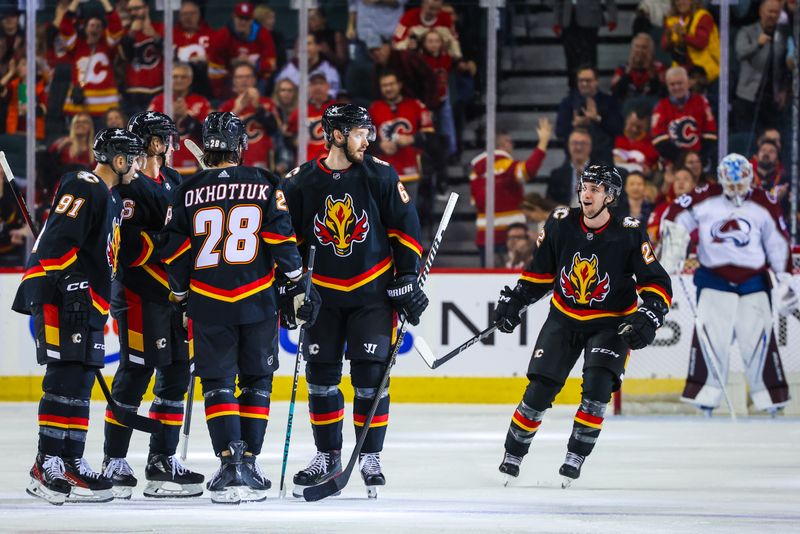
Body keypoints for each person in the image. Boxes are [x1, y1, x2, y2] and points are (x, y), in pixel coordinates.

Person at [160, 111, 320, 504]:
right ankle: (249, 462)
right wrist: (298, 283)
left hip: (209, 302)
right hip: (257, 300)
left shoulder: (186, 189)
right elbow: (281, 240)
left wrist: (181, 298)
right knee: (256, 380)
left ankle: (229, 463)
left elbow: (174, 253)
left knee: (217, 382)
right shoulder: (265, 182)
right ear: (239, 147)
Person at [493, 164, 672, 487]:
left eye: (596, 189)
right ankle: (514, 454)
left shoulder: (629, 232)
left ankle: (575, 455)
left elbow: (656, 281)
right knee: (539, 390)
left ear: (611, 196)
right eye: (584, 187)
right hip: (564, 317)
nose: (586, 194)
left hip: (611, 323)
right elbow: (540, 273)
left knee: (597, 390)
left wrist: (651, 313)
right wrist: (516, 300)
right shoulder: (561, 224)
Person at [282, 104, 428, 499]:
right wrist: (292, 288)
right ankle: (327, 455)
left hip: (372, 295)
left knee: (370, 379)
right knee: (322, 379)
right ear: (335, 135)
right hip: (322, 297)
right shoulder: (300, 182)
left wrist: (407, 278)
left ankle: (368, 456)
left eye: (368, 132)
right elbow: (283, 238)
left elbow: (405, 228)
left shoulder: (380, 174)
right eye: (360, 133)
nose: (368, 140)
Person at [12, 128, 145, 505]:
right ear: (118, 160)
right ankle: (46, 462)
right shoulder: (83, 183)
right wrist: (69, 279)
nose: (135, 165)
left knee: (82, 379)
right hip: (62, 294)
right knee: (64, 376)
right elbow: (56, 239)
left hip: (90, 301)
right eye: (131, 158)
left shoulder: (112, 198)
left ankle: (71, 459)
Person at [100, 111, 204, 499]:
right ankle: (114, 458)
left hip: (176, 296)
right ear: (156, 143)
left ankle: (162, 459)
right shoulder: (127, 185)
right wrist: (169, 245)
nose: (173, 146)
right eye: (168, 139)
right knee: (135, 373)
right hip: (139, 293)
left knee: (176, 375)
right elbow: (126, 244)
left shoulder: (175, 181)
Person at [659, 154, 793, 416]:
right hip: (714, 280)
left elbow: (778, 242)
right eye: (729, 184)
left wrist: (786, 278)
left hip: (753, 281)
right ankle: (705, 400)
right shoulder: (706, 195)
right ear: (721, 180)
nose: (734, 189)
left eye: (739, 183)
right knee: (711, 341)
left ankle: (771, 401)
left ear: (749, 178)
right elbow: (675, 213)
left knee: (759, 341)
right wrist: (672, 248)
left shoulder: (765, 202)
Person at [471, 118, 553, 265]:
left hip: (484, 236)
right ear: (502, 144)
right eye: (509, 142)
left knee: (486, 281)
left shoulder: (476, 171)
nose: (512, 145)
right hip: (511, 236)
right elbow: (529, 170)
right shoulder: (506, 166)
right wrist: (543, 143)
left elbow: (474, 201)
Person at [369, 71, 435, 199]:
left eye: (391, 84)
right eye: (384, 85)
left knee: (412, 215)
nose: (388, 88)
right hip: (384, 174)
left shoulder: (415, 105)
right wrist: (380, 145)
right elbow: (363, 140)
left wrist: (412, 138)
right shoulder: (373, 109)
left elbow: (432, 136)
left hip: (413, 171)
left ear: (399, 85)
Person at [60, 0, 123, 120]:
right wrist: (75, 2)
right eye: (92, 26)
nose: (95, 29)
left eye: (99, 26)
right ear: (85, 29)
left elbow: (116, 29)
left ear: (103, 30)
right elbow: (65, 28)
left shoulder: (108, 47)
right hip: (78, 108)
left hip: (105, 108)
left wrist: (106, 3)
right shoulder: (76, 45)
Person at [734, 0, 790, 133]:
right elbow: (740, 53)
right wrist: (757, 44)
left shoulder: (783, 34)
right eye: (769, 11)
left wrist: (784, 90)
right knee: (747, 136)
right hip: (748, 96)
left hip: (772, 99)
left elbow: (785, 66)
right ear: (761, 12)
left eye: (776, 12)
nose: (772, 15)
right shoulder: (747, 31)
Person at [148, 62, 212, 175]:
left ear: (191, 79)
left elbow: (209, 136)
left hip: (192, 166)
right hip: (163, 166)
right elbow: (147, 133)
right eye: (175, 77)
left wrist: (187, 118)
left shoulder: (201, 102)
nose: (179, 80)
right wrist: (171, 117)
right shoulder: (158, 102)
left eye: (183, 77)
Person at [207, 2, 276, 100]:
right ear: (233, 17)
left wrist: (253, 64)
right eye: (240, 18)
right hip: (229, 79)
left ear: (252, 19)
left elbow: (271, 65)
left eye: (247, 19)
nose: (243, 22)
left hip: (257, 78)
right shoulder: (221, 36)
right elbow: (214, 71)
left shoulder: (263, 34)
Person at [555, 65, 623, 165]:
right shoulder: (568, 103)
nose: (584, 84)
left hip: (603, 159)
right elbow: (559, 132)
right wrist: (574, 124)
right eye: (581, 80)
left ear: (596, 81)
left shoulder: (609, 102)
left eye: (588, 80)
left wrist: (598, 119)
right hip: (575, 159)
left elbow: (619, 129)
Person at [651, 66, 717, 166]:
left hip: (699, 161)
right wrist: (682, 160)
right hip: (672, 163)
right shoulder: (661, 107)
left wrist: (698, 159)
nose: (676, 87)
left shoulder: (701, 102)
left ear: (688, 83)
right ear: (667, 86)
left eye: (680, 83)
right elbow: (659, 141)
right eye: (672, 84)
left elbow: (710, 134)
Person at [553, 0, 618, 88]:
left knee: (589, 56)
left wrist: (612, 16)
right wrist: (556, 20)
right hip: (567, 16)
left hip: (590, 16)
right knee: (570, 57)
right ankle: (573, 89)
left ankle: (590, 88)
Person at [118, 0, 164, 116]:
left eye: (137, 8)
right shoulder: (124, 32)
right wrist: (131, 33)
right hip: (131, 92)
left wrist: (154, 35)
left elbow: (170, 53)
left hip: (157, 89)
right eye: (130, 10)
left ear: (147, 8)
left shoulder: (160, 28)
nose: (134, 13)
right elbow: (124, 56)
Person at [661, 0, 720, 83]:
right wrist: (668, 36)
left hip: (705, 70)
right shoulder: (672, 20)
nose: (681, 2)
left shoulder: (703, 17)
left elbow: (701, 43)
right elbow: (664, 47)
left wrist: (683, 36)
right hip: (681, 70)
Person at [286, 72, 335, 163]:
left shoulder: (338, 108)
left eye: (321, 83)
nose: (317, 87)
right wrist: (294, 141)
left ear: (328, 86)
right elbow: (288, 137)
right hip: (307, 164)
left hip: (333, 163)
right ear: (308, 88)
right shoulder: (300, 111)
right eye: (314, 84)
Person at [611, 33, 666, 103]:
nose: (640, 51)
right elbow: (615, 94)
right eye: (637, 47)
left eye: (644, 47)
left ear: (651, 50)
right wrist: (628, 72)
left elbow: (663, 94)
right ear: (631, 49)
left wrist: (650, 72)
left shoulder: (659, 68)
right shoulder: (622, 69)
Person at [547, 128, 592, 206]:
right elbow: (549, 204)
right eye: (575, 143)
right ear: (568, 145)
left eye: (583, 143)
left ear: (590, 147)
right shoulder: (557, 175)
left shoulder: (601, 173)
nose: (578, 147)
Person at [613, 108, 660, 177]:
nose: (634, 129)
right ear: (627, 120)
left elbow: (655, 168)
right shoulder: (614, 136)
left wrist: (650, 172)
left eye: (639, 127)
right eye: (632, 124)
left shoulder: (653, 144)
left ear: (646, 126)